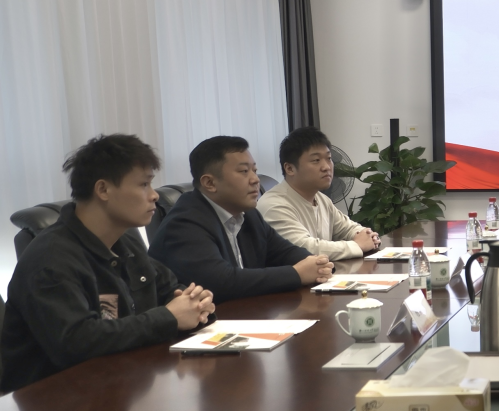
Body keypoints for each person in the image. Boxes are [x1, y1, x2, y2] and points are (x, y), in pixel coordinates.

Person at [2, 135, 215, 392]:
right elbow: (76, 343)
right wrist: (169, 317)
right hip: (52, 401)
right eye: (144, 184)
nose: (154, 195)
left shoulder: (125, 242)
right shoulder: (50, 259)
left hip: (119, 384)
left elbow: (171, 289)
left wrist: (197, 305)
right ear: (103, 190)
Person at [149, 136, 333, 302]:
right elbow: (221, 282)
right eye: (244, 171)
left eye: (254, 170)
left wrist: (316, 264)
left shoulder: (248, 214)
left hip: (246, 314)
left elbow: (284, 251)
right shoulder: (184, 223)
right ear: (210, 183)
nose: (255, 180)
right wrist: (296, 274)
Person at [258, 127, 379, 261]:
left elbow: (347, 228)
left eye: (329, 158)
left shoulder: (321, 199)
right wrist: (357, 245)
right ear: (290, 168)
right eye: (316, 160)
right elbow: (305, 248)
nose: (326, 167)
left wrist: (367, 235)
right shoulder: (273, 206)